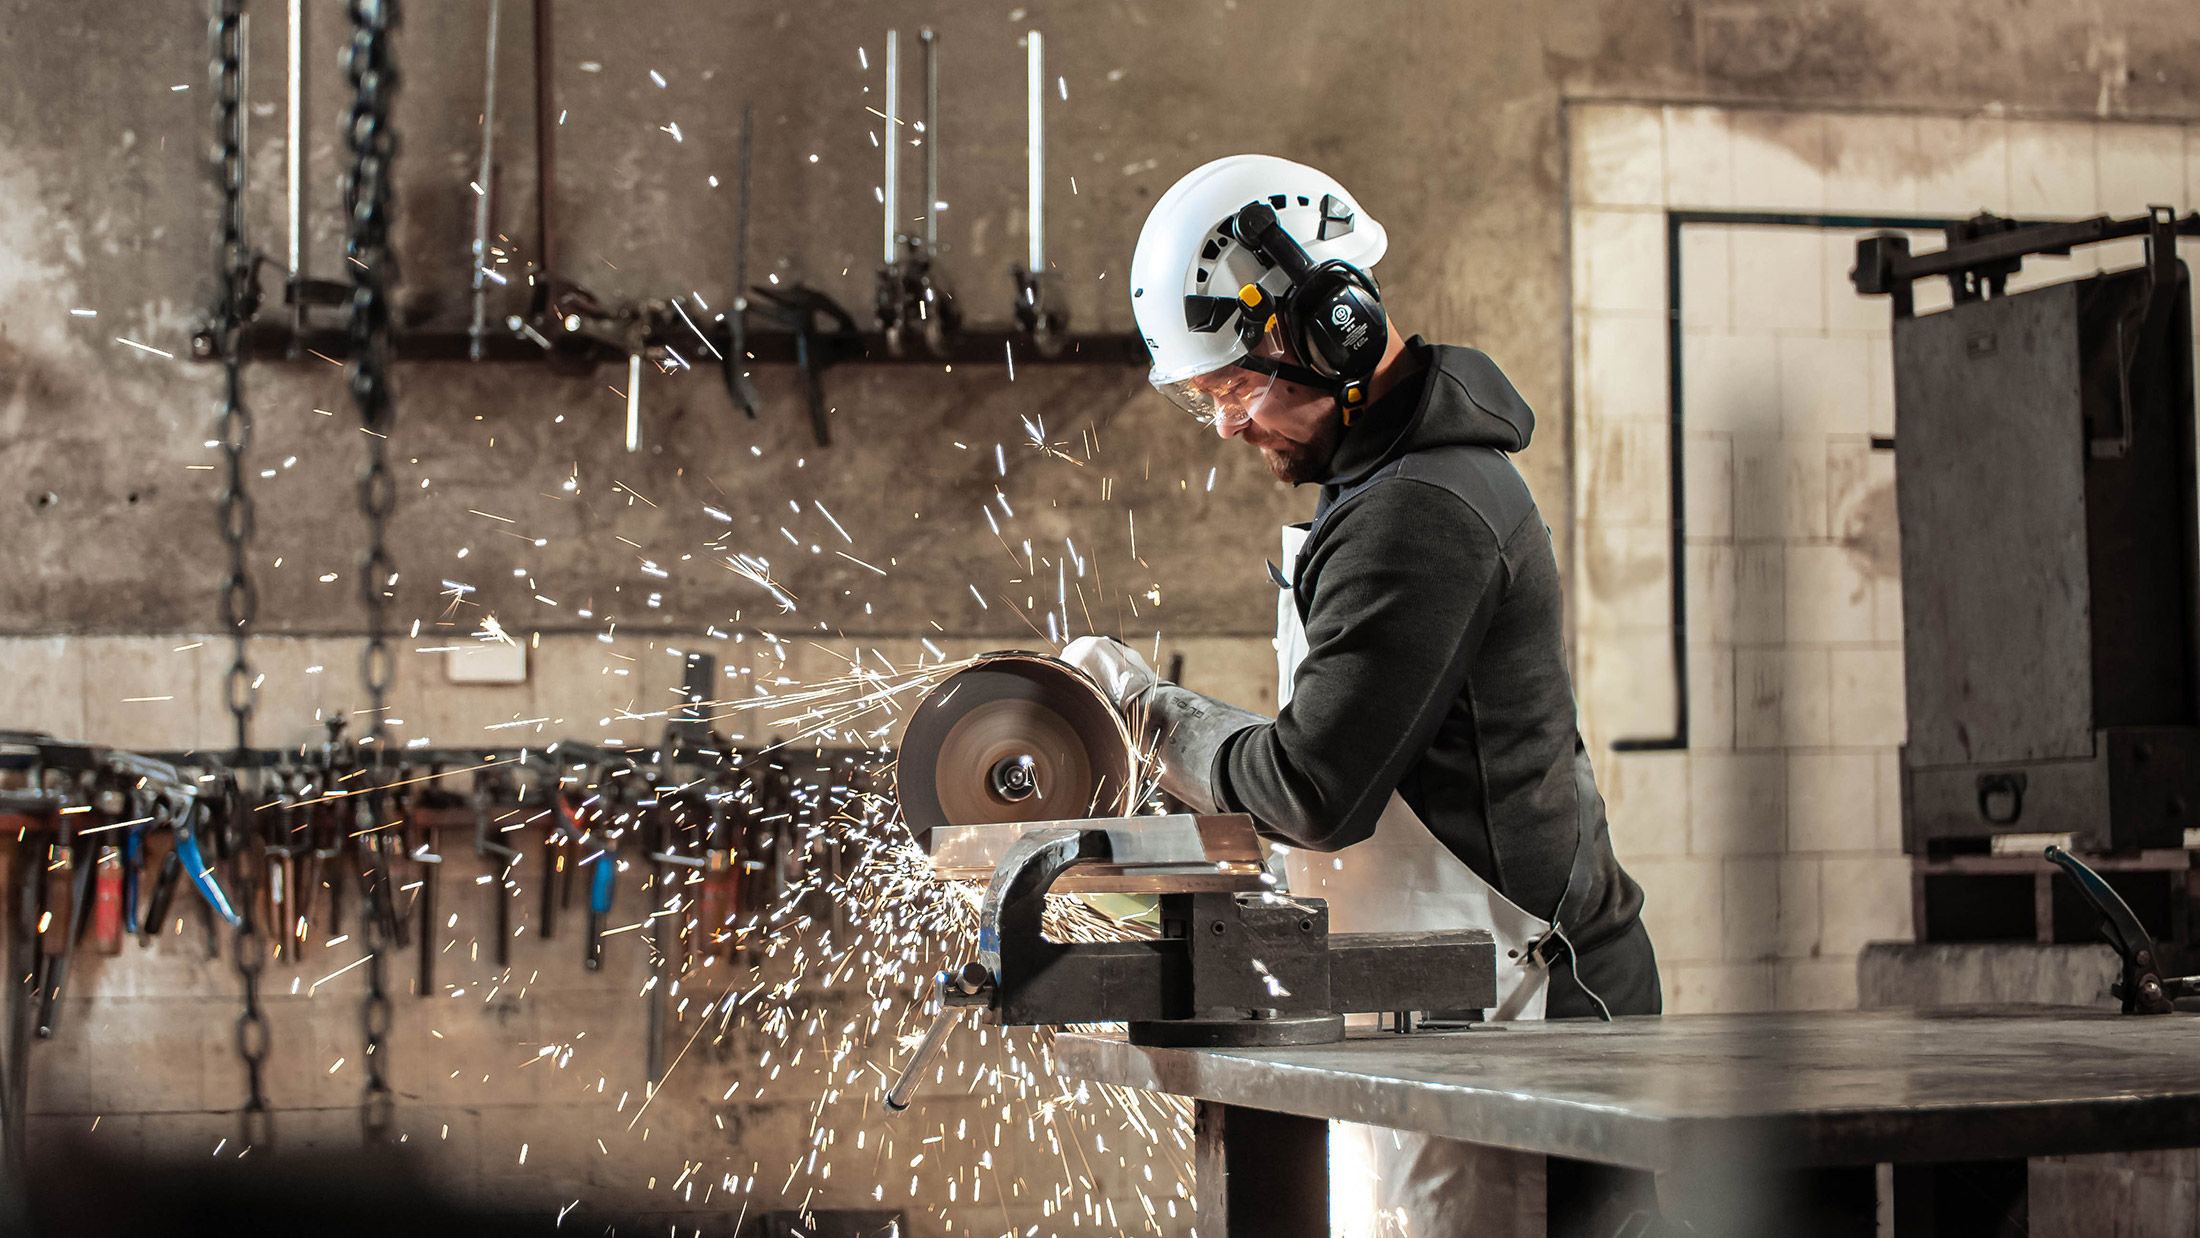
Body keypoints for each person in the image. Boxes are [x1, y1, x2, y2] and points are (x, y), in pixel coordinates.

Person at [1064, 154, 1662, 1232]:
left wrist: (1150, 716)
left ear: (1333, 327)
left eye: (1235, 387)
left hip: (1526, 1007)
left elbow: (1313, 786)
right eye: (1209, 400)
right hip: (1449, 990)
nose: (1230, 425)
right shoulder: (1377, 487)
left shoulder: (1417, 509)